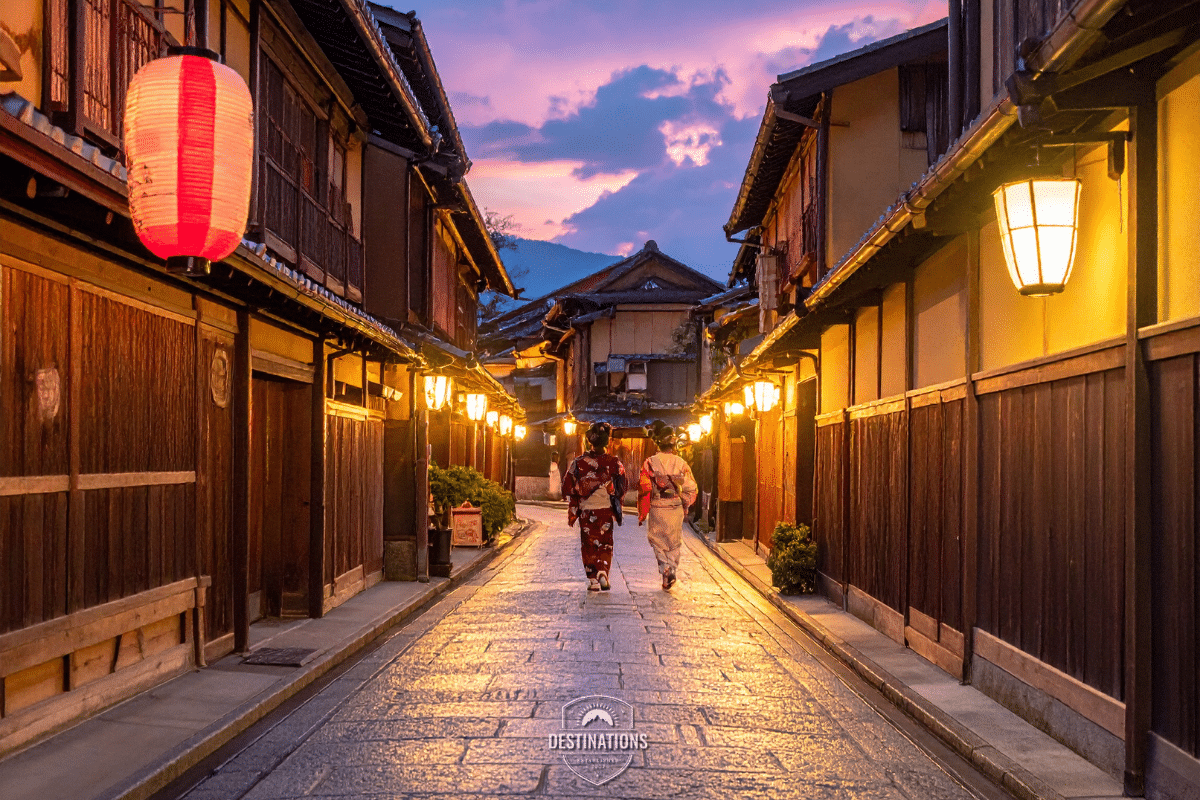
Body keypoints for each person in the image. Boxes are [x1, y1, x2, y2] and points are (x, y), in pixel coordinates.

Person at [561, 422, 627, 591]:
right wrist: (613, 495)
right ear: (607, 442)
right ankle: (603, 571)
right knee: (605, 542)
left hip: (586, 510)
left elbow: (567, 486)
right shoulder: (614, 462)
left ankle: (592, 579)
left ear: (590, 441)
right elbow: (622, 487)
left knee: (589, 543)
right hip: (604, 508)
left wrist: (578, 496)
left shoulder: (579, 463)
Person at [638, 426, 698, 590]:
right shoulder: (682, 463)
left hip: (657, 505)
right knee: (673, 541)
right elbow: (691, 488)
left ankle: (664, 566)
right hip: (674, 505)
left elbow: (644, 487)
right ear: (673, 445)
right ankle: (671, 568)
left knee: (657, 540)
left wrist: (643, 510)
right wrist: (684, 503)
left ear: (658, 444)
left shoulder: (650, 462)